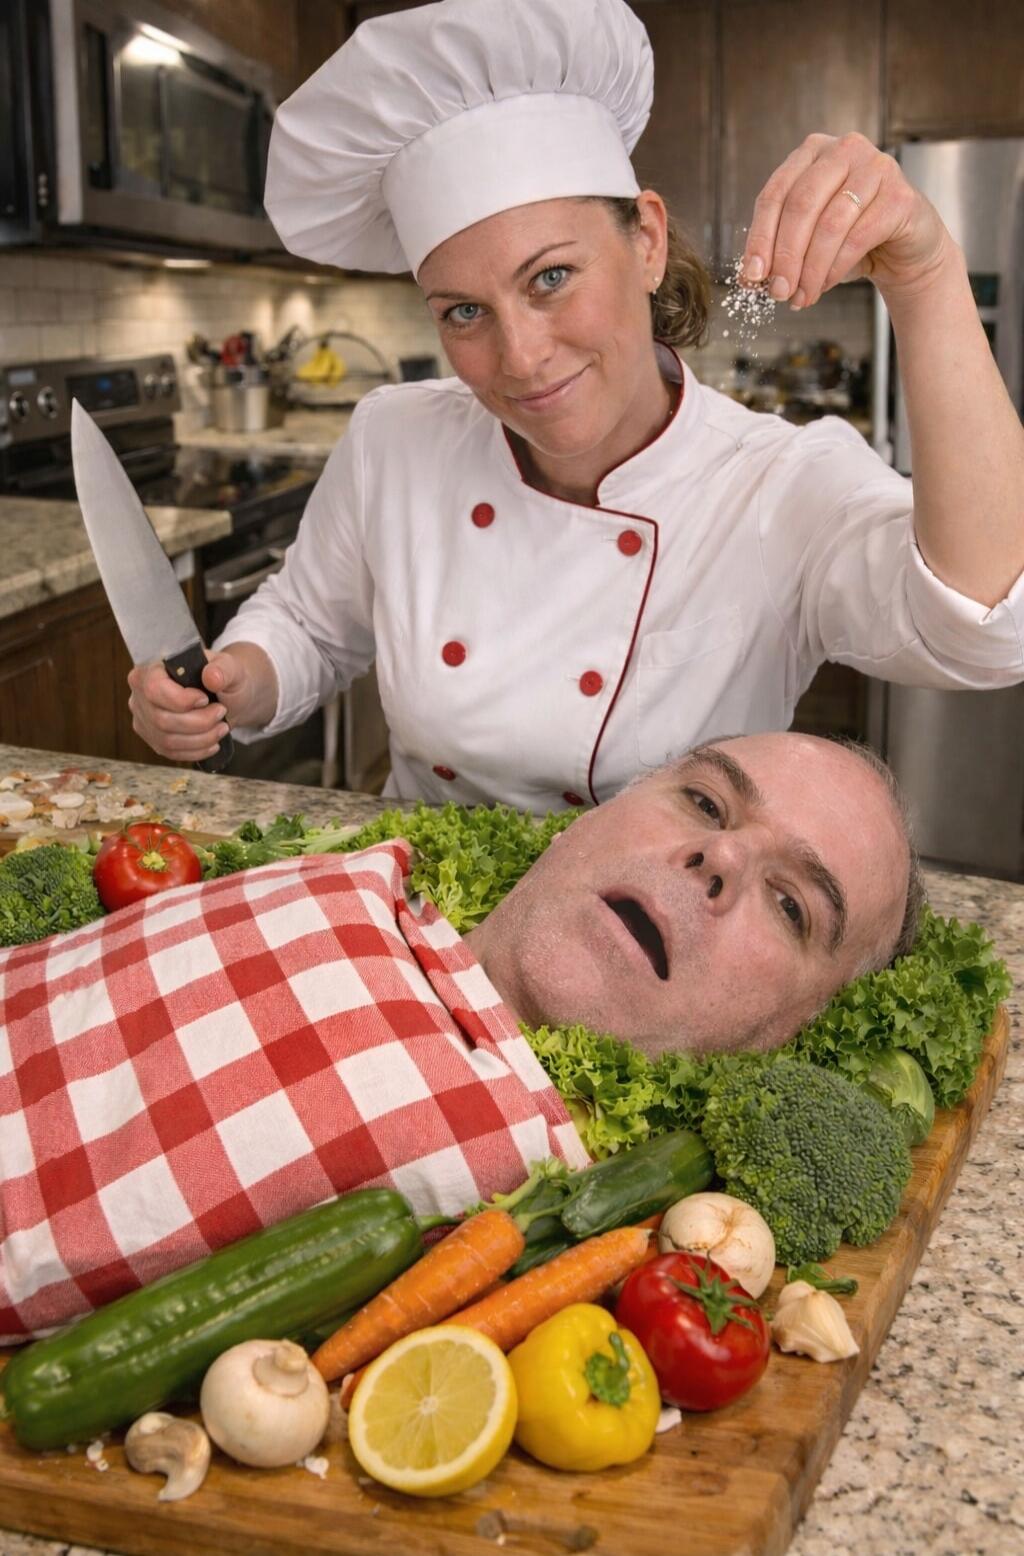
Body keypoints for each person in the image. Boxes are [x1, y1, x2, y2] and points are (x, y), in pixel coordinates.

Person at [125, 0, 1024, 812]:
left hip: (656, 950)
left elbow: (983, 632)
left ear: (646, 239)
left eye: (551, 277)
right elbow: (313, 624)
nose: (520, 358)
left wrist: (927, 275)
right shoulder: (395, 437)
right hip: (417, 908)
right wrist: (243, 677)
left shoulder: (777, 482)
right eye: (464, 312)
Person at [0, 732, 915, 1339]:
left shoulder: (519, 1213)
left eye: (791, 905)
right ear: (587, 817)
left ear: (794, 1035)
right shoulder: (346, 875)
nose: (720, 857)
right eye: (708, 804)